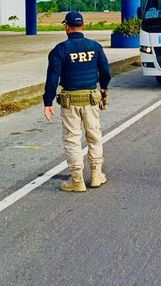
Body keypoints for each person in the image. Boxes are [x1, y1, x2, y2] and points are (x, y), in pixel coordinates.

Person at [43, 11, 112, 192]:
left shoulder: (60, 49)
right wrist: (103, 88)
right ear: (83, 26)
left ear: (66, 26)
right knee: (94, 136)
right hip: (91, 100)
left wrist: (47, 102)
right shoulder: (95, 47)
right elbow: (106, 73)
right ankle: (96, 175)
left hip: (70, 101)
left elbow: (52, 78)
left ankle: (77, 180)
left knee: (72, 139)